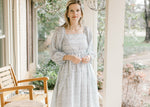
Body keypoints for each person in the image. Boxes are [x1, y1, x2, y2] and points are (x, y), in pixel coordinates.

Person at [49, 0, 100, 107]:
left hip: (85, 73)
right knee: (68, 102)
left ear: (81, 13)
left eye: (77, 10)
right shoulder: (60, 31)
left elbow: (92, 51)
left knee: (85, 102)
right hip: (68, 73)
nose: (74, 14)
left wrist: (89, 57)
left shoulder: (87, 31)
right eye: (71, 11)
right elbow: (53, 53)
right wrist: (69, 57)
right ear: (67, 13)